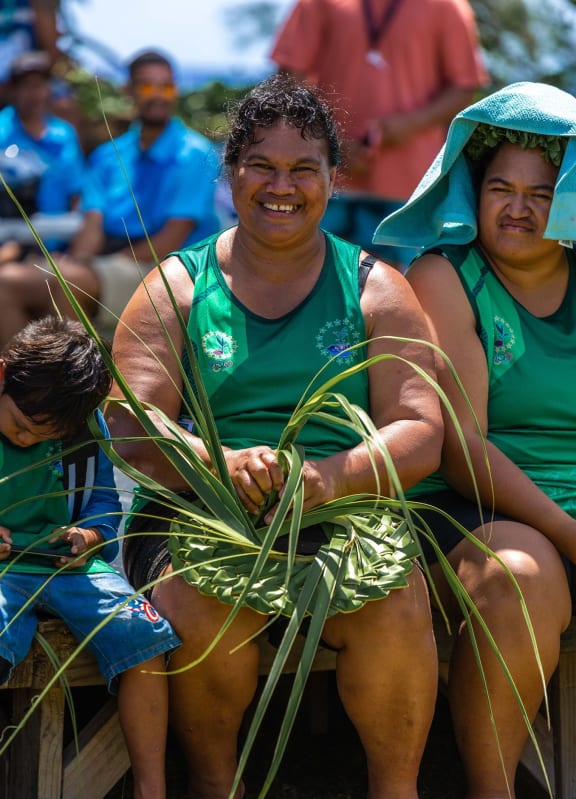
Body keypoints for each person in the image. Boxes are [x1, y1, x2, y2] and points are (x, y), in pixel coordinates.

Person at [104, 73, 444, 799]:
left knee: (397, 599)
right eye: (261, 165)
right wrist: (216, 463)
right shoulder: (178, 283)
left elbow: (420, 430)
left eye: (302, 169)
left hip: (340, 506)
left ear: (333, 179)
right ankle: (215, 785)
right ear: (231, 174)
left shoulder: (375, 285)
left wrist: (329, 477)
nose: (280, 186)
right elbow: (129, 421)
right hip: (196, 510)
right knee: (203, 603)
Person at [373, 80, 576, 797]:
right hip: (476, 509)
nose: (517, 207)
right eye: (499, 187)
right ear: (471, 191)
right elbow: (461, 446)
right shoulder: (443, 275)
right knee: (521, 575)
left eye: (542, 192)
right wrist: (570, 531)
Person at [0, 315, 181, 799]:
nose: (27, 440)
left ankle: (151, 786)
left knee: (143, 633)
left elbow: (105, 505)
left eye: (45, 436)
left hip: (67, 568)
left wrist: (90, 537)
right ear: (2, 376)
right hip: (5, 573)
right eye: (20, 427)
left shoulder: (86, 428)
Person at [270, 0, 489, 269]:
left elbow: (464, 87)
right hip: (323, 180)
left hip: (411, 191)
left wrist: (409, 124)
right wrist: (329, 140)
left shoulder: (447, 6)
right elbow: (288, 76)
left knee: (404, 296)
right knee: (308, 286)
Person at [67, 49, 221, 338]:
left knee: (44, 284)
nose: (158, 95)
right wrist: (80, 260)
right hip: (114, 259)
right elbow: (92, 225)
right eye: (148, 86)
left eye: (166, 86)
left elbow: (170, 240)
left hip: (169, 268)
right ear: (129, 91)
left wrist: (96, 267)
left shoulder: (195, 153)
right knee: (46, 278)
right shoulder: (107, 155)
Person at [0, 50, 99, 345]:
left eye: (41, 84)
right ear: (13, 90)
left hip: (54, 251)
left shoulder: (63, 134)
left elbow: (77, 195)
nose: (35, 93)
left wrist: (74, 250)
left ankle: (61, 376)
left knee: (68, 284)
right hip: (10, 248)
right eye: (26, 85)